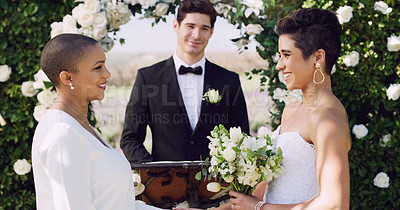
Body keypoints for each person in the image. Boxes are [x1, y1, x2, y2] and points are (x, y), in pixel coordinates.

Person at [224, 8, 351, 210]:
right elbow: (270, 185)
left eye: (286, 55)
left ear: (318, 57)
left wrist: (260, 208)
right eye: (280, 55)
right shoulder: (291, 109)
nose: (279, 65)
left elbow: (335, 204)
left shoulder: (327, 118)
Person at [31, 33, 160, 210]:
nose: (107, 74)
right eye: (98, 67)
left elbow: (120, 204)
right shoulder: (61, 133)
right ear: (68, 78)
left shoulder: (79, 125)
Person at [120, 0, 250, 164]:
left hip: (217, 186)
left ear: (212, 32)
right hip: (164, 186)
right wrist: (154, 173)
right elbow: (130, 138)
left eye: (204, 28)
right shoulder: (148, 78)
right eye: (190, 26)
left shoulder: (229, 80)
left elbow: (242, 137)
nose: (196, 35)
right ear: (176, 26)